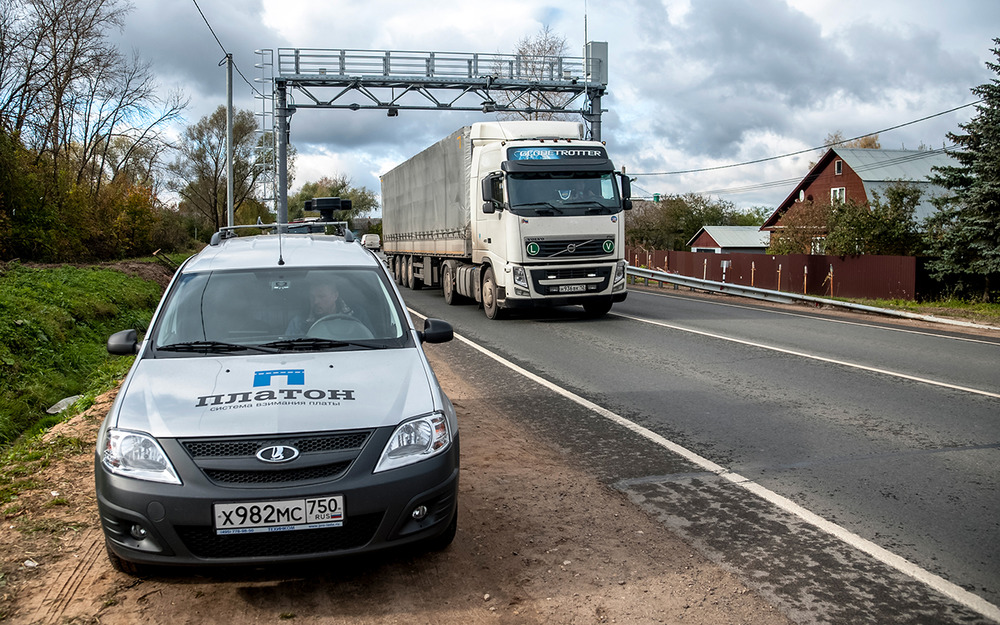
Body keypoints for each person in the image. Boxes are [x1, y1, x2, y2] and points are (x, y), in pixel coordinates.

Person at [285, 281, 357, 335]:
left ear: (335, 296)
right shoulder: (298, 323)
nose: (315, 301)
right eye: (312, 297)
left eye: (321, 296)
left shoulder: (357, 315)